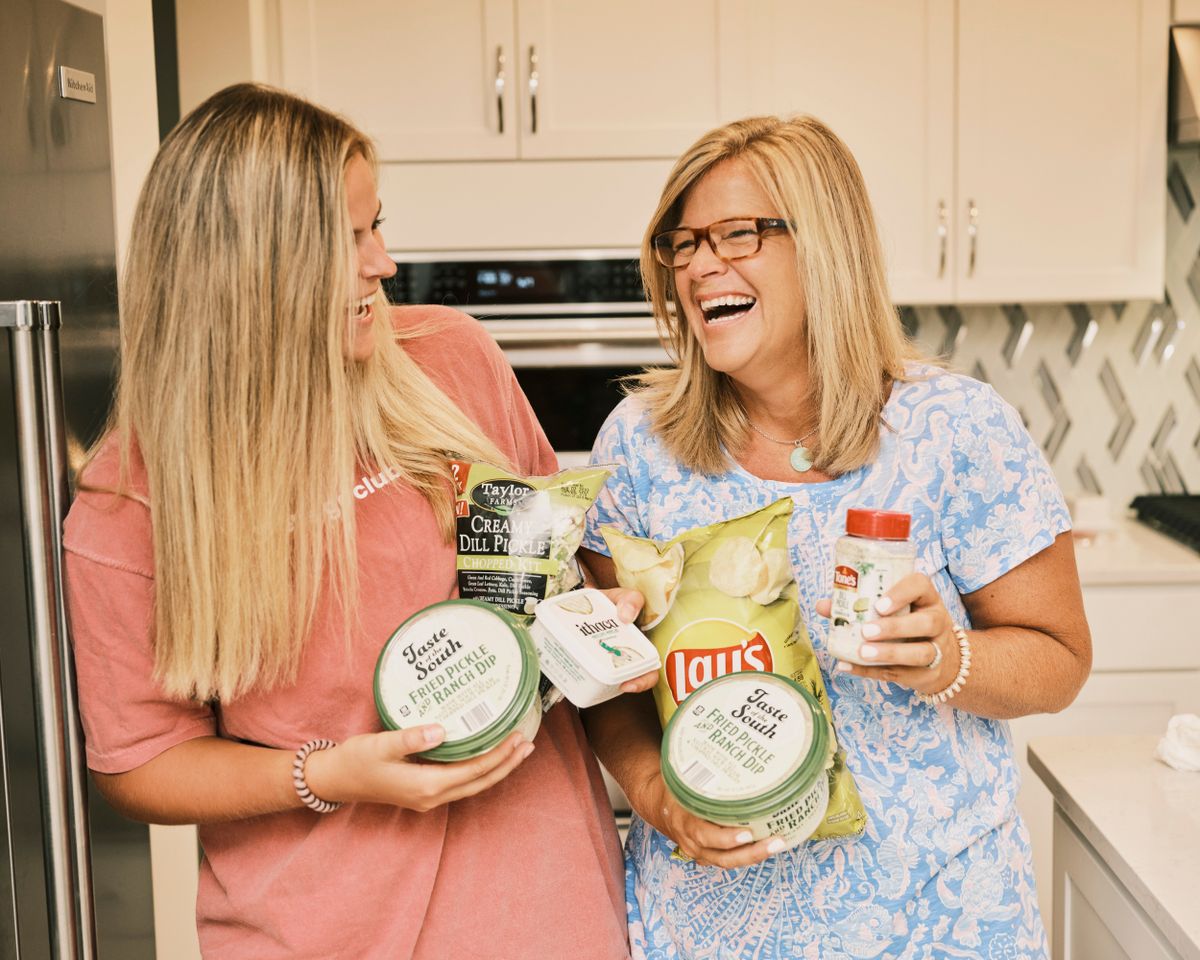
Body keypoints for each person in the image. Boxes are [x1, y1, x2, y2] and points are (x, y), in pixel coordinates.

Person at [63, 82, 650, 959]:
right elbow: (141, 763)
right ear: (246, 267)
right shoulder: (131, 501)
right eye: (347, 240)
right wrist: (327, 775)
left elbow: (560, 574)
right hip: (311, 929)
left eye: (377, 225)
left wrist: (603, 623)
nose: (384, 263)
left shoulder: (452, 360)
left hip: (540, 904)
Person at [579, 115, 1092, 960]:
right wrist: (656, 798)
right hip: (713, 921)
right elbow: (614, 688)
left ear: (824, 244)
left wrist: (946, 659)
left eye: (740, 233)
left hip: (938, 915)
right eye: (685, 242)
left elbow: (1060, 658)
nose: (704, 264)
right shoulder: (639, 447)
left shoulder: (956, 431)